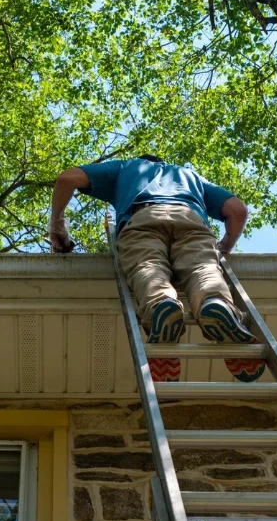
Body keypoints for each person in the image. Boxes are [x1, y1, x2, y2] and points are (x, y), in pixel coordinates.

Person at [48, 154, 265, 382]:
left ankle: (162, 305)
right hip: (191, 220)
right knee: (203, 270)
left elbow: (66, 179)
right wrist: (225, 246)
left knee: (148, 267)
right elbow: (237, 210)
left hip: (142, 219)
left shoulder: (126, 167)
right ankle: (216, 304)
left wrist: (57, 224)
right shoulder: (190, 176)